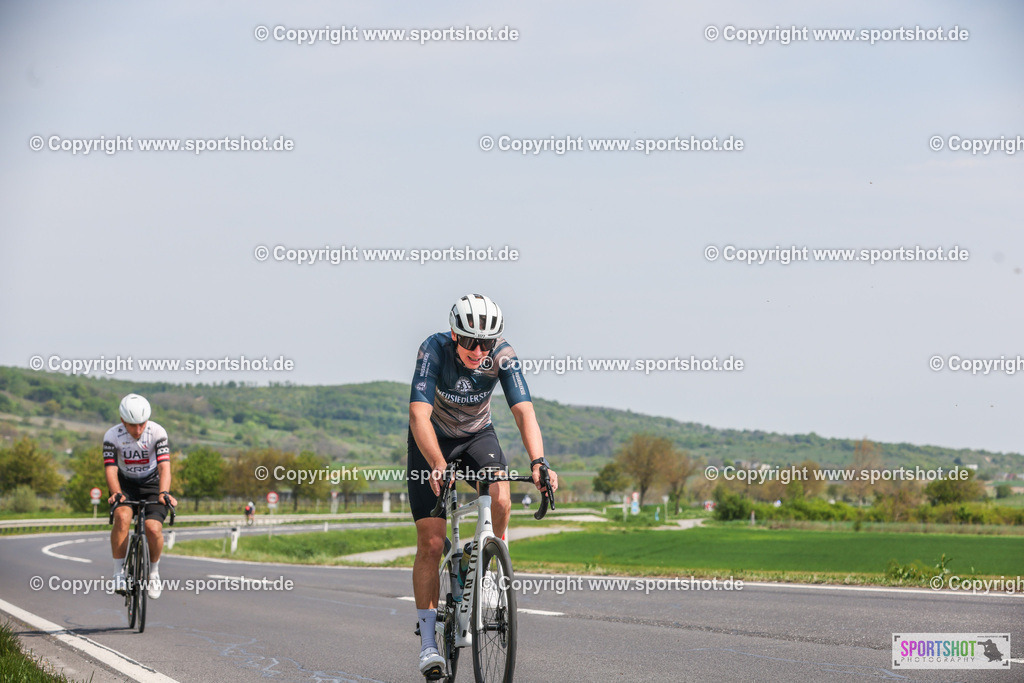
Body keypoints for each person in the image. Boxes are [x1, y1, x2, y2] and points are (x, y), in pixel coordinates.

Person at [407, 294, 558, 679]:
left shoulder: (503, 356)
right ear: (455, 334)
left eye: (486, 343)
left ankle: (490, 567)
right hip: (433, 439)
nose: (478, 350)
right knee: (432, 542)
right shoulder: (434, 349)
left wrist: (538, 462)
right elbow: (417, 414)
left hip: (477, 436)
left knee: (501, 496)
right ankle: (428, 644)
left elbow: (524, 410)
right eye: (470, 341)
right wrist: (438, 463)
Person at [104, 394, 177, 600]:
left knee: (153, 528)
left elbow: (164, 466)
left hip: (153, 484)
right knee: (123, 517)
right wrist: (116, 493)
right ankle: (118, 573)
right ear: (122, 421)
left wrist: (164, 493)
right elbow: (110, 469)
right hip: (125, 484)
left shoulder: (157, 432)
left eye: (141, 424)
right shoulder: (112, 436)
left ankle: (153, 573)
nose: (138, 430)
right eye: (132, 425)